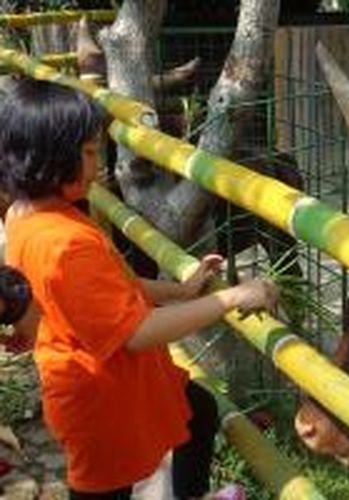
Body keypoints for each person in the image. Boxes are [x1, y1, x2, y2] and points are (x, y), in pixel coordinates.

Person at [0, 77, 279, 499]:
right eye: (90, 152)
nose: (99, 164)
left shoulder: (27, 215)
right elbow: (136, 332)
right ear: (50, 159)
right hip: (102, 400)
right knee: (104, 489)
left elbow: (111, 286)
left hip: (102, 379)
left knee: (197, 413)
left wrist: (180, 292)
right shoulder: (65, 242)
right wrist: (231, 297)